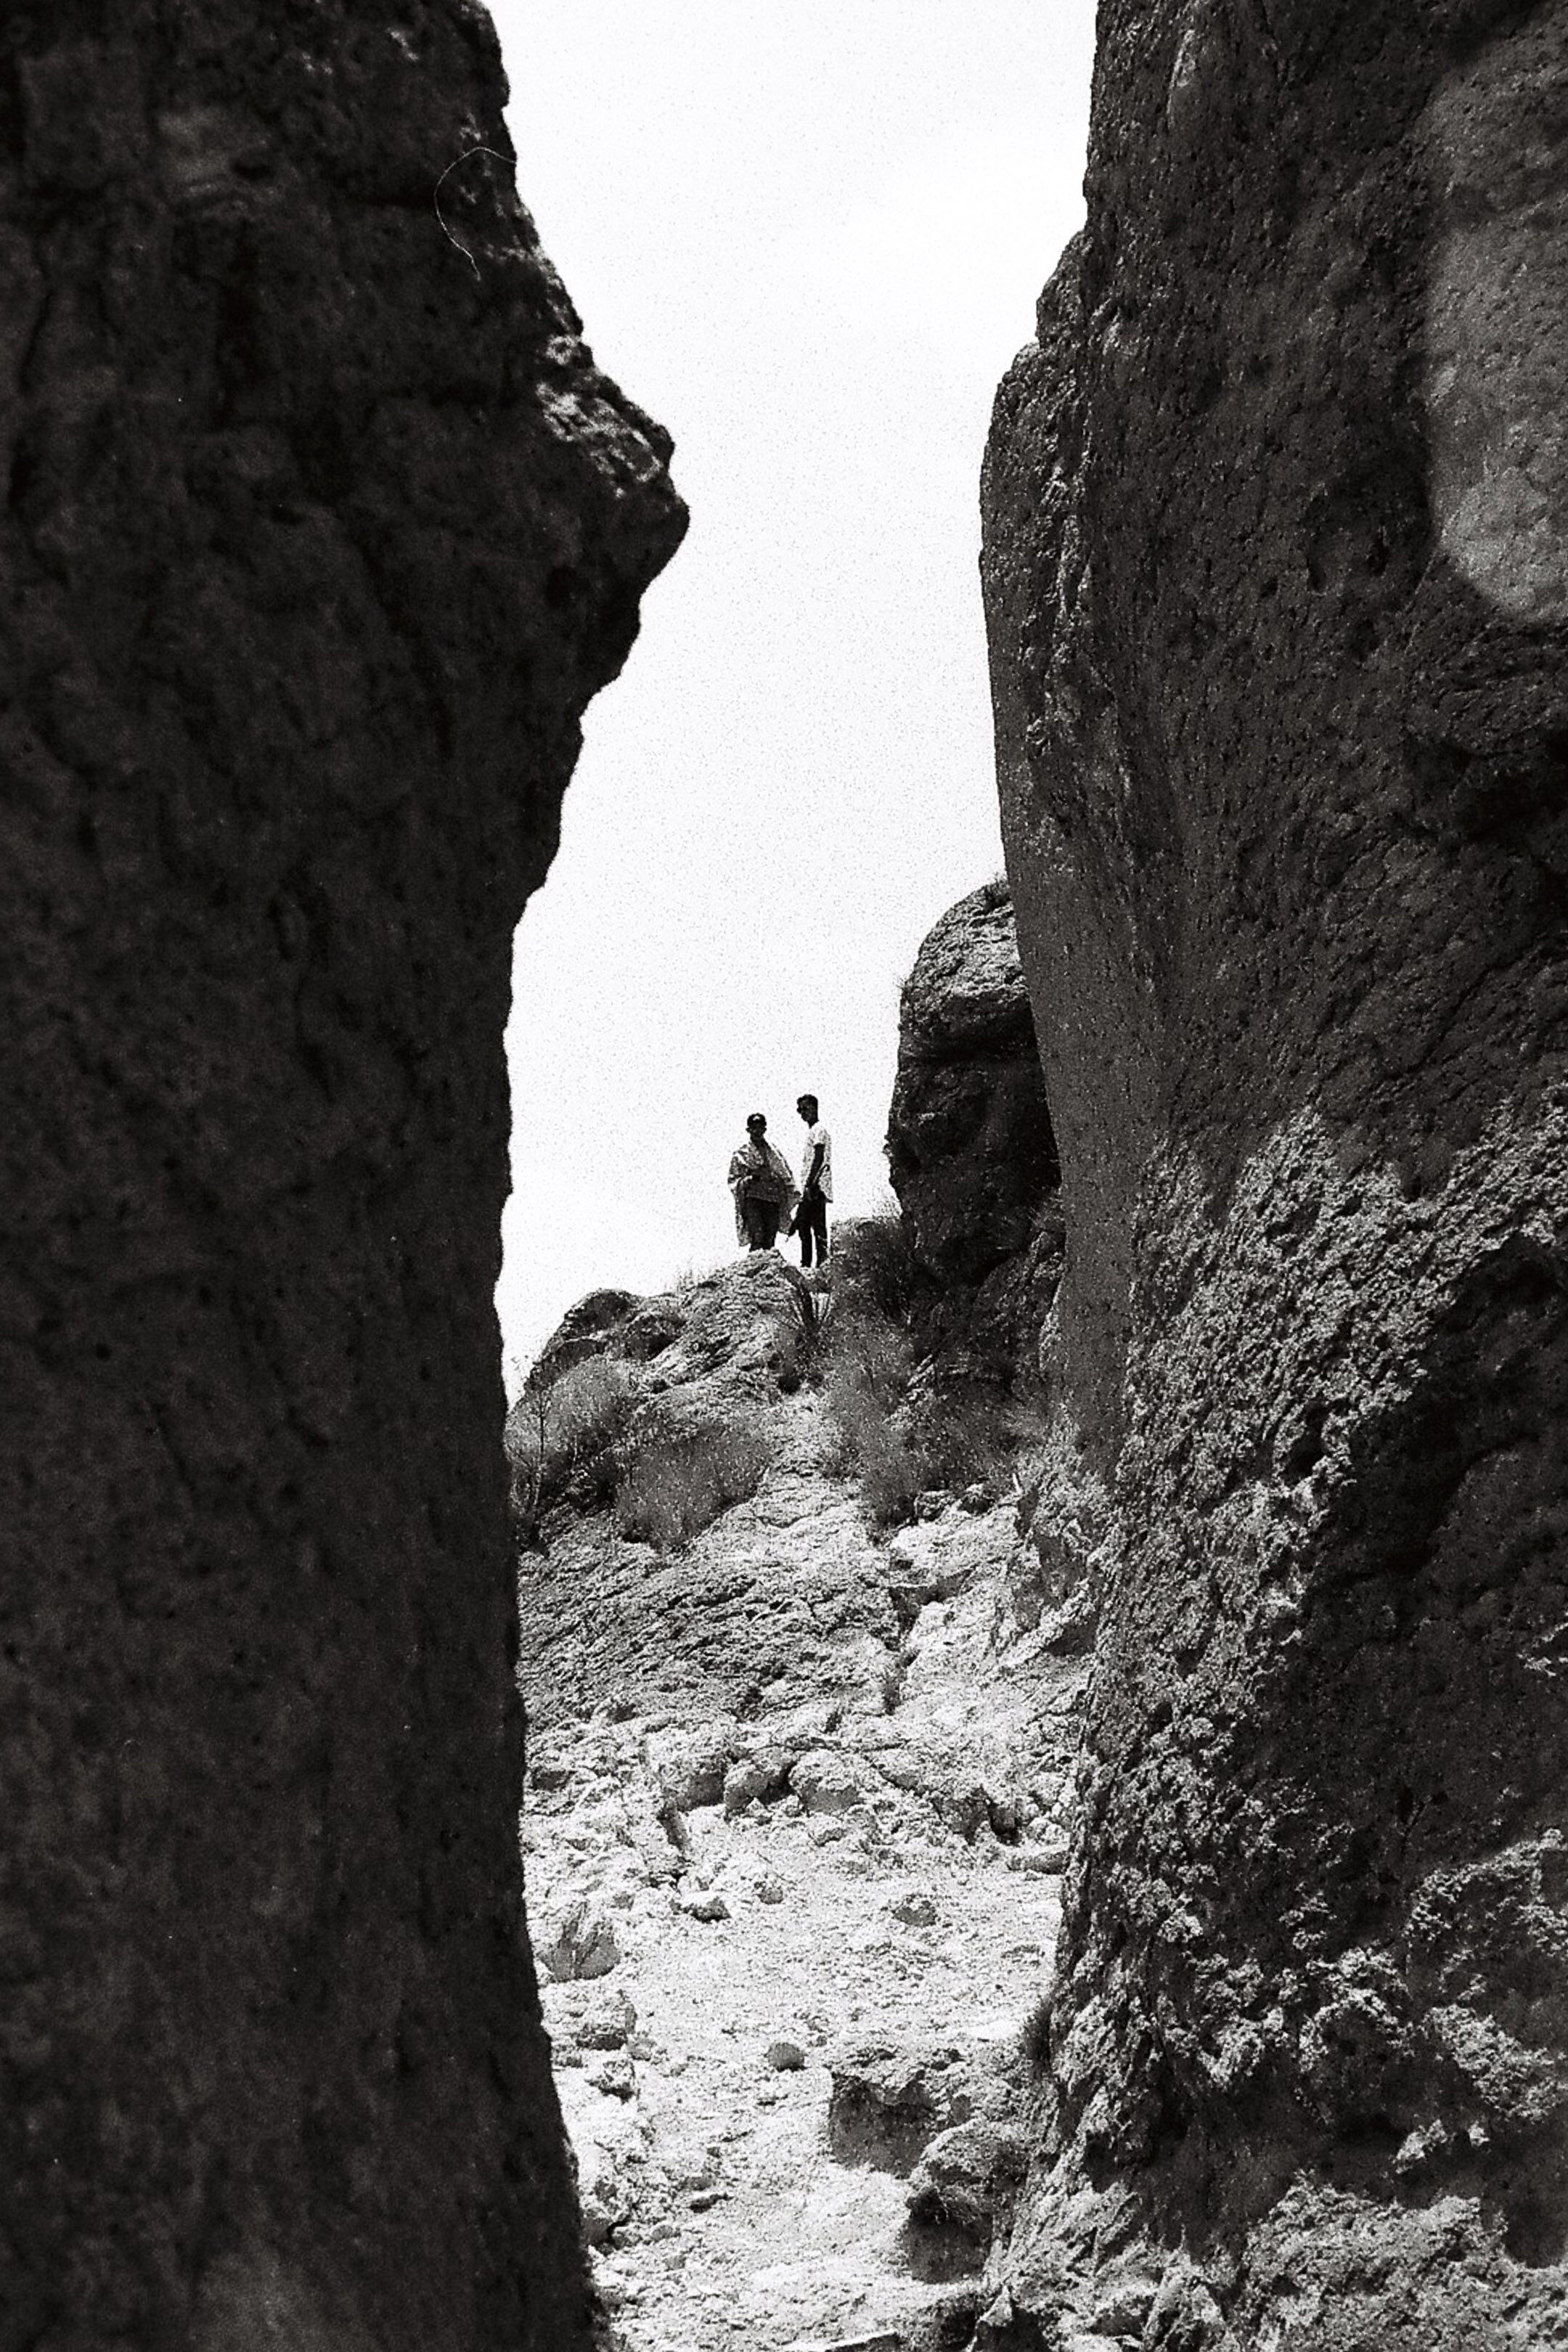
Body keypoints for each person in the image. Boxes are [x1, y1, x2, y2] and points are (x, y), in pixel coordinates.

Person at [728, 1112, 798, 1251]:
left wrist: (774, 1179)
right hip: (753, 1198)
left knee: (770, 1238)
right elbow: (734, 1180)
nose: (757, 1131)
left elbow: (786, 1177)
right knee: (757, 1236)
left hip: (772, 1198)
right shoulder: (742, 1154)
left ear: (765, 1129)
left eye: (760, 1127)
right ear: (748, 1130)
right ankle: (755, 1268)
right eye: (754, 1127)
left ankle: (768, 1269)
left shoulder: (774, 1153)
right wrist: (751, 1178)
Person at [792, 1093, 832, 1267]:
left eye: (806, 1109)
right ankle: (809, 1264)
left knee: (815, 1227)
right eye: (800, 1110)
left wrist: (810, 1183)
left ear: (815, 1108)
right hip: (812, 1185)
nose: (803, 1113)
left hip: (816, 1185)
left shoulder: (819, 1129)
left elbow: (819, 1155)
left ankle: (820, 1264)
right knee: (804, 1225)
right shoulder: (812, 1131)